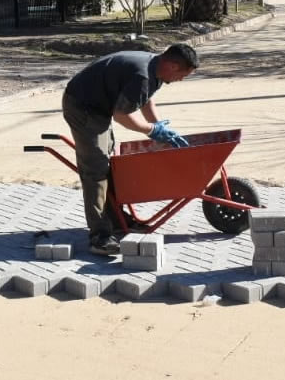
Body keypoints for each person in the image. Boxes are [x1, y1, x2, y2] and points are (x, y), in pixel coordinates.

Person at [61, 44, 200, 255]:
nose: (182, 79)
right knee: (96, 169)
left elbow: (145, 99)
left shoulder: (155, 67)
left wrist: (159, 125)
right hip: (83, 106)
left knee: (109, 164)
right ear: (172, 65)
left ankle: (116, 220)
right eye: (183, 74)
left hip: (99, 106)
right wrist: (152, 130)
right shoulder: (143, 74)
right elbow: (122, 116)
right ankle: (99, 236)